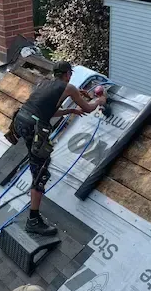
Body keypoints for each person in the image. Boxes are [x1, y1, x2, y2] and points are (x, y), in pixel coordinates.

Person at [12, 61, 107, 237]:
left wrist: (70, 110)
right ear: (68, 74)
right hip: (33, 127)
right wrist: (99, 100)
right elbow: (87, 107)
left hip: (20, 121)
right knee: (41, 172)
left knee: (37, 163)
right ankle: (33, 220)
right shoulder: (68, 87)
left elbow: (47, 110)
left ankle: (35, 184)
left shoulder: (44, 83)